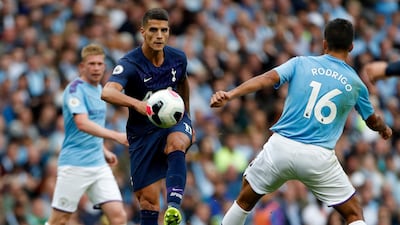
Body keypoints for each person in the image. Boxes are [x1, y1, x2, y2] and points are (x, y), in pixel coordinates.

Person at [210, 18, 392, 225]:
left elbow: (267, 78)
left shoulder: (301, 63)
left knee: (244, 200)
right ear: (351, 47)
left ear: (324, 43)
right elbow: (371, 120)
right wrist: (384, 129)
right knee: (353, 214)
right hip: (318, 158)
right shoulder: (356, 84)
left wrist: (231, 94)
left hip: (282, 148)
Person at [101, 8, 194, 225]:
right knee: (149, 202)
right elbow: (107, 92)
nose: (159, 35)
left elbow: (183, 82)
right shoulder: (130, 63)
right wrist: (137, 105)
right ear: (143, 32)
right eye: (153, 30)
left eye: (164, 30)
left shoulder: (178, 58)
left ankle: (173, 206)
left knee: (177, 143)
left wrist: (186, 115)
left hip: (172, 124)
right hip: (142, 132)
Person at [46, 43, 128, 225]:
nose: (96, 68)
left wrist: (103, 150)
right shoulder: (75, 90)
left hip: (98, 165)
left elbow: (94, 126)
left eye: (100, 64)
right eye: (91, 64)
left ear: (105, 66)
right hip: (75, 164)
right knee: (59, 220)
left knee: (118, 216)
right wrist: (116, 136)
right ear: (81, 67)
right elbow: (82, 123)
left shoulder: (100, 90)